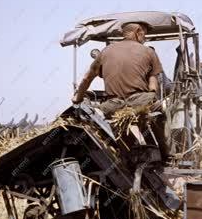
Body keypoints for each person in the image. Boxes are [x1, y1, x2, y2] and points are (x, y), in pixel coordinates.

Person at [72, 22, 170, 158]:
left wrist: (78, 98)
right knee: (161, 111)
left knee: (95, 114)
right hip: (138, 102)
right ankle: (166, 155)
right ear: (138, 31)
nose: (145, 38)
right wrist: (152, 94)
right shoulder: (148, 51)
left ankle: (111, 154)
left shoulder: (105, 51)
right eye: (144, 34)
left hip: (112, 105)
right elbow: (153, 78)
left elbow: (87, 79)